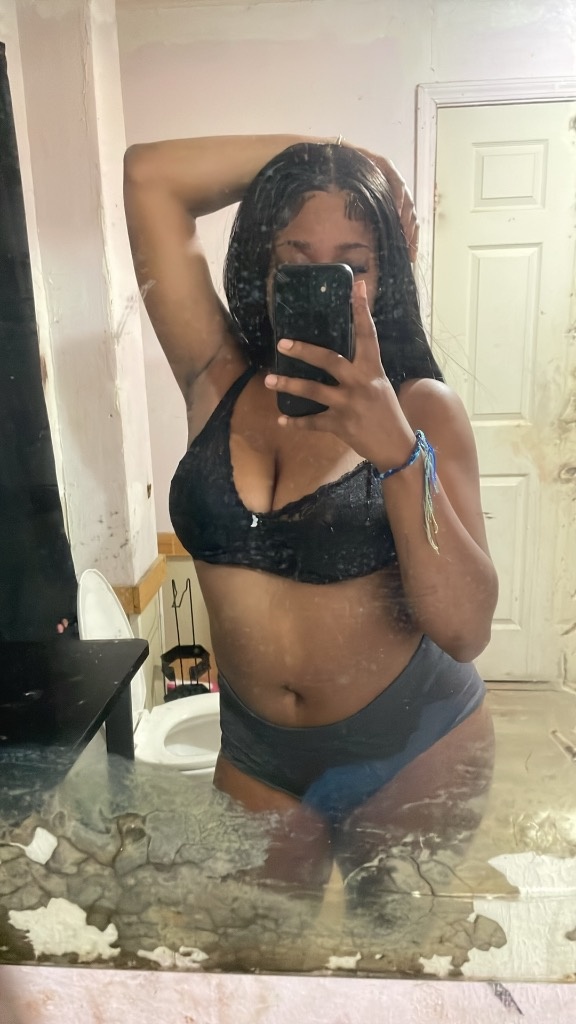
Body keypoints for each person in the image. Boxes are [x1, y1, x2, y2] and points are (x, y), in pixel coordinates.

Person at [123, 135, 498, 898]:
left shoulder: (424, 409)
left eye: (353, 266)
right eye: (296, 260)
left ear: (385, 277)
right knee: (253, 955)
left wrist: (395, 450)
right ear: (263, 269)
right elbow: (148, 176)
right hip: (257, 754)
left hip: (414, 748)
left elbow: (465, 630)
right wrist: (336, 151)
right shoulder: (214, 377)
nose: (329, 283)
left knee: (389, 959)